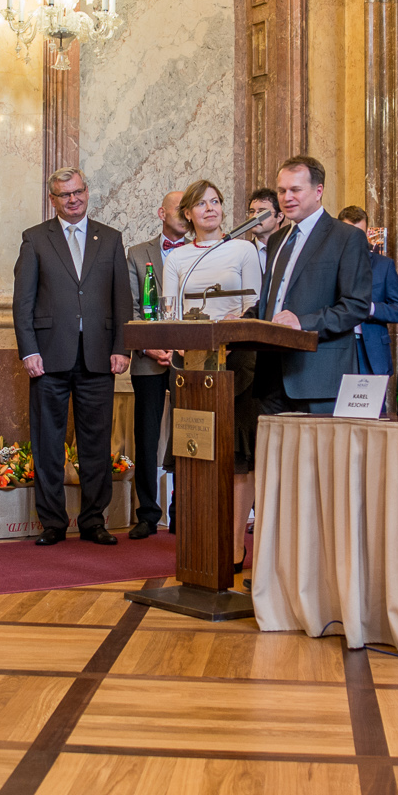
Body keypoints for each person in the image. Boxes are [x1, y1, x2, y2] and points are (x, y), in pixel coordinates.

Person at [13, 166, 132, 546]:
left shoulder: (110, 239)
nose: (74, 199)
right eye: (65, 195)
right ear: (53, 200)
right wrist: (29, 350)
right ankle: (53, 522)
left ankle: (94, 521)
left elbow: (122, 301)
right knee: (48, 443)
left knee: (96, 444)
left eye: (78, 191)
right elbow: (23, 302)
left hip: (99, 356)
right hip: (48, 357)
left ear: (86, 192)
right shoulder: (35, 239)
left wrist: (122, 347)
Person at [165, 178, 264, 560]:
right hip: (193, 363)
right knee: (196, 450)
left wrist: (235, 325)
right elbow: (170, 311)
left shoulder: (243, 249)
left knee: (238, 457)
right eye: (202, 203)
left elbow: (254, 306)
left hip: (238, 360)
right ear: (187, 214)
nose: (211, 209)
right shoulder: (177, 258)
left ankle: (235, 544)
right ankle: (200, 540)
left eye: (216, 201)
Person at [249, 156, 372, 416]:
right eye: (282, 190)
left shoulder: (347, 237)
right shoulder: (278, 239)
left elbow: (356, 306)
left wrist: (302, 323)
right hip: (271, 378)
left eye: (295, 189)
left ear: (318, 191)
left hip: (317, 377)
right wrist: (238, 322)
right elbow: (273, 301)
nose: (287, 197)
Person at [123, 189, 188, 538]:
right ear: (162, 213)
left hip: (187, 359)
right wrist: (149, 348)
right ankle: (147, 514)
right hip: (148, 360)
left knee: (188, 434)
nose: (186, 215)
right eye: (180, 209)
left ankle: (182, 512)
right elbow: (131, 307)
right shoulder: (137, 254)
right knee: (146, 437)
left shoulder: (199, 252)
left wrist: (180, 346)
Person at [337, 206, 398, 381]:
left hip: (372, 352)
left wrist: (371, 309)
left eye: (359, 234)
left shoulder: (384, 265)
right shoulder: (329, 265)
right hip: (338, 349)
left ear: (367, 233)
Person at [244, 187, 282, 275]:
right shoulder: (244, 251)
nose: (254, 216)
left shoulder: (289, 248)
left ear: (279, 217)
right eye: (251, 211)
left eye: (262, 212)